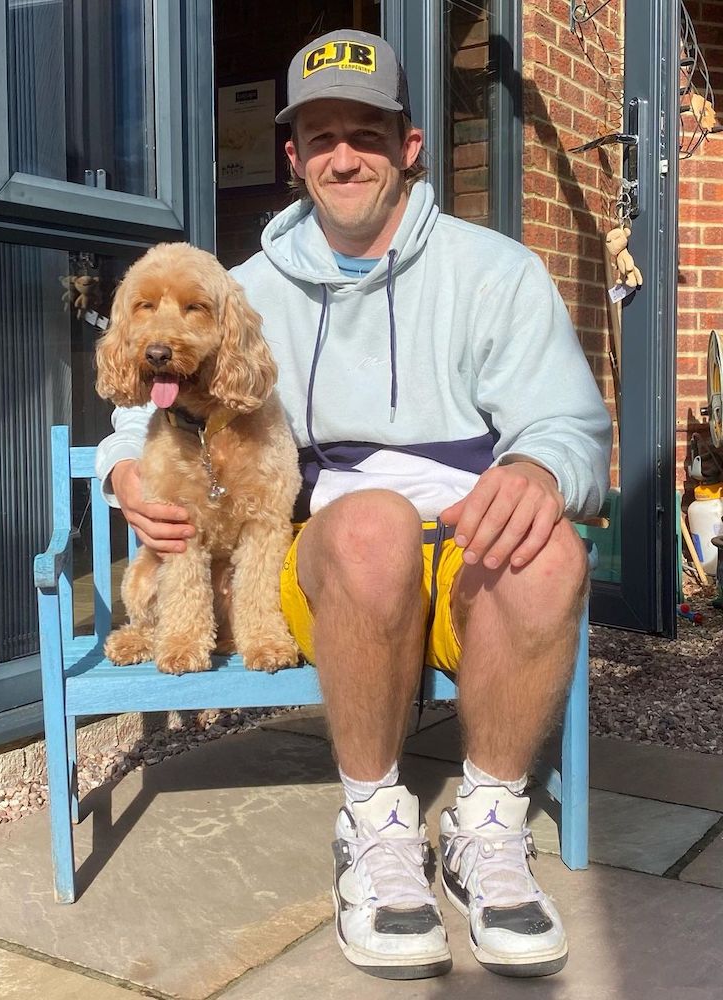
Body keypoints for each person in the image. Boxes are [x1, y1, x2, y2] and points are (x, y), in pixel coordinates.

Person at [96, 29, 612, 982]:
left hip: (466, 558)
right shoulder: (241, 290)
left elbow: (570, 427)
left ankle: (488, 824)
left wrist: (539, 471)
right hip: (335, 576)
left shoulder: (495, 272)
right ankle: (376, 826)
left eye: (366, 133)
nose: (344, 156)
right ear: (291, 157)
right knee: (369, 522)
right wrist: (127, 473)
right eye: (321, 135)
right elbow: (147, 410)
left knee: (553, 552)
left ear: (408, 147)